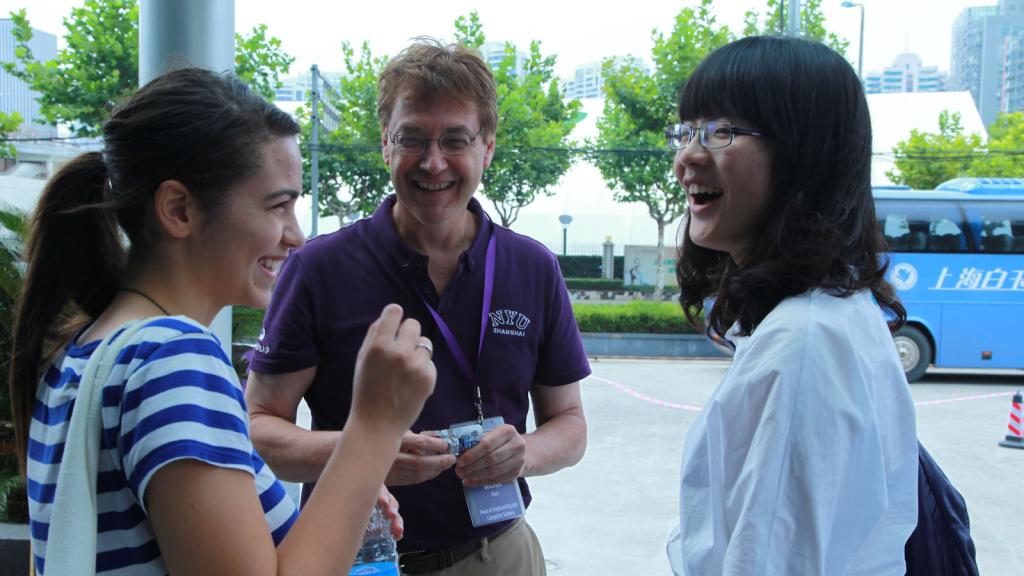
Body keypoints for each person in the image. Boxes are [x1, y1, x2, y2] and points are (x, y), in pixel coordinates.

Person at [9, 67, 436, 575]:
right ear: (178, 209)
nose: (295, 235)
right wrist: (375, 427)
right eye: (278, 206)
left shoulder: (85, 350)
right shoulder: (173, 359)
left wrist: (348, 485)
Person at [245, 38, 590, 575]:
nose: (433, 163)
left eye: (456, 140)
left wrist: (525, 453)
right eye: (412, 139)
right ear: (385, 145)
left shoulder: (532, 267)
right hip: (355, 557)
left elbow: (569, 424)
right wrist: (365, 448)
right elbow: (260, 425)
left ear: (488, 147)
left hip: (497, 554)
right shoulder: (319, 269)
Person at [665, 36, 919, 575]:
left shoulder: (804, 343)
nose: (687, 155)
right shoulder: (828, 312)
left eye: (723, 131)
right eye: (686, 130)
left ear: (806, 155)